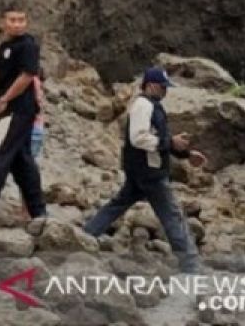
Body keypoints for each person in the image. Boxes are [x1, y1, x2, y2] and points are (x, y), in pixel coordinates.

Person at [83, 67, 207, 274]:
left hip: (140, 169)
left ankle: (86, 235)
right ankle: (191, 265)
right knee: (172, 215)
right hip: (149, 171)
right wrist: (171, 143)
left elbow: (158, 140)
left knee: (118, 205)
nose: (165, 92)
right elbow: (139, 138)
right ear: (150, 85)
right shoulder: (143, 106)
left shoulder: (150, 105)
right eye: (162, 87)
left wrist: (185, 154)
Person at [0, 3, 47, 219]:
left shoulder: (27, 46)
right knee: (22, 159)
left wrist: (5, 99)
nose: (17, 24)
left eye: (21, 20)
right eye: (12, 20)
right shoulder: (5, 46)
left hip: (17, 108)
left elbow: (27, 75)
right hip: (13, 109)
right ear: (2, 22)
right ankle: (37, 209)